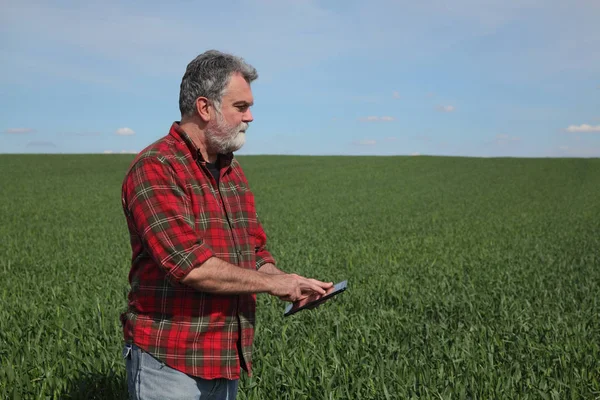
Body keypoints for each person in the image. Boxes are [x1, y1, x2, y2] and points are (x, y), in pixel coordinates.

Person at [120, 50, 333, 399]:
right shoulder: (156, 168)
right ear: (205, 108)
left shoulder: (231, 172)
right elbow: (191, 267)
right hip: (170, 363)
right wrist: (271, 285)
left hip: (225, 359)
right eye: (240, 106)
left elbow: (255, 252)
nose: (250, 117)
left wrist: (289, 282)